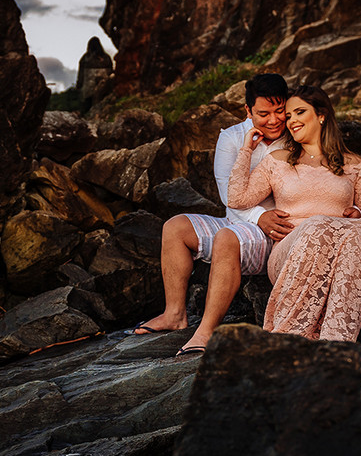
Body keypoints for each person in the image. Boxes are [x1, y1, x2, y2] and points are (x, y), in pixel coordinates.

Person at [126, 73, 294, 356]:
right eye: (264, 113)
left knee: (227, 238)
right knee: (175, 227)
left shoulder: (295, 135)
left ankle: (206, 331)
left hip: (275, 231)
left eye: (280, 111)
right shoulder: (231, 137)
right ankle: (175, 314)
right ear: (248, 110)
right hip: (240, 221)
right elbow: (228, 196)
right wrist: (257, 217)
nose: (274, 120)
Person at [227, 85, 361, 342]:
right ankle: (288, 335)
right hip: (290, 252)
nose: (291, 121)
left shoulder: (353, 163)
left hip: (340, 250)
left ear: (321, 115)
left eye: (299, 112)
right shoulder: (278, 159)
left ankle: (337, 341)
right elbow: (237, 198)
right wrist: (247, 149)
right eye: (288, 116)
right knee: (318, 225)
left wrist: (360, 218)